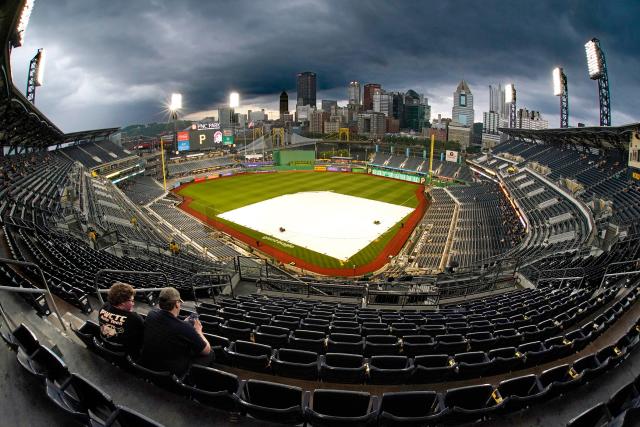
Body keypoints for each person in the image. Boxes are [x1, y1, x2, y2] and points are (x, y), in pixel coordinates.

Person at [140, 287, 211, 377]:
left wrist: (183, 323)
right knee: (210, 354)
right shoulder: (185, 327)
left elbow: (167, 323)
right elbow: (206, 350)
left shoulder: (151, 314)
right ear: (177, 304)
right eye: (179, 302)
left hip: (147, 363)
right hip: (169, 373)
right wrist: (198, 331)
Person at [98, 282, 144, 357]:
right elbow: (143, 337)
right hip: (123, 352)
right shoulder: (134, 318)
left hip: (106, 344)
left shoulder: (104, 306)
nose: (133, 303)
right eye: (132, 301)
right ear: (122, 302)